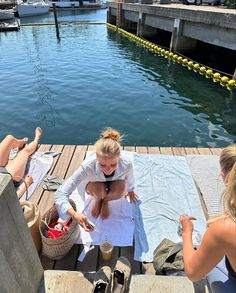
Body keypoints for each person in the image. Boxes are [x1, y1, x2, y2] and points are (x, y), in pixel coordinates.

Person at [55, 127, 138, 232]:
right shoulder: (87, 166)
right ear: (96, 158)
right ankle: (98, 199)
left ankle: (106, 201)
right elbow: (60, 194)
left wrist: (130, 189)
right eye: (102, 164)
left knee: (122, 190)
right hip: (95, 186)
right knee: (99, 190)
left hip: (116, 182)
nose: (108, 169)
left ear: (119, 158)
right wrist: (74, 214)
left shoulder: (126, 163)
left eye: (113, 164)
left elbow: (130, 177)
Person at [180, 144, 236, 292]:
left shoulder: (225, 229)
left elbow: (193, 273)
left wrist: (187, 232)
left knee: (205, 259)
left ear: (224, 175)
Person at [0, 127, 42, 198]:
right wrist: (27, 184)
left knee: (9, 138)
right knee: (25, 152)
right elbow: (11, 200)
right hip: (7, 179)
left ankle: (21, 143)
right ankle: (37, 138)